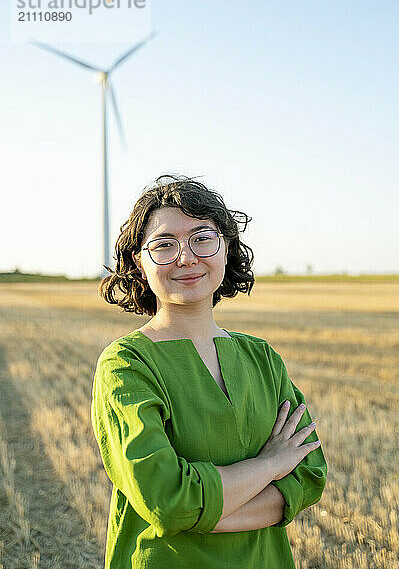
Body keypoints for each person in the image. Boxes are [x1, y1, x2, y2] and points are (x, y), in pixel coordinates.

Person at [91, 174, 328, 569]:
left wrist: (199, 512)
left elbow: (308, 475)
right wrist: (268, 466)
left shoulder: (261, 357)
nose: (186, 257)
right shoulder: (126, 364)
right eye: (164, 245)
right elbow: (167, 500)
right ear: (139, 261)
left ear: (226, 248)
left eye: (202, 238)